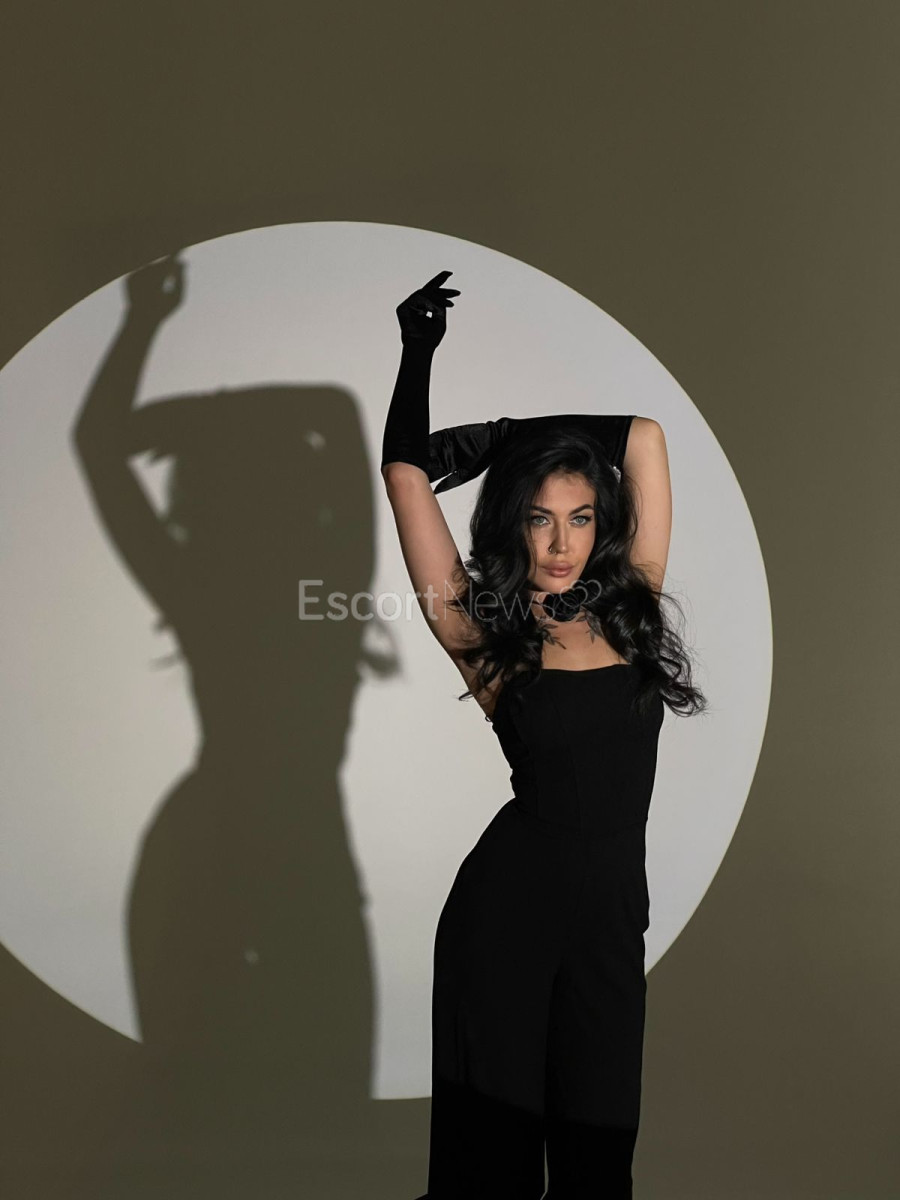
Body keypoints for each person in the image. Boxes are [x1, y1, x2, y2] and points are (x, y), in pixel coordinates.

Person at [381, 272, 707, 1199]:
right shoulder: (482, 632)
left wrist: (503, 439)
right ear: (513, 525)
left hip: (611, 927)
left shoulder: (633, 607)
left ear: (603, 525)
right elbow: (405, 477)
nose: (562, 543)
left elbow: (643, 437)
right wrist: (417, 355)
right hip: (505, 922)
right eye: (539, 518)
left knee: (600, 1168)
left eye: (580, 518)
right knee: (493, 1173)